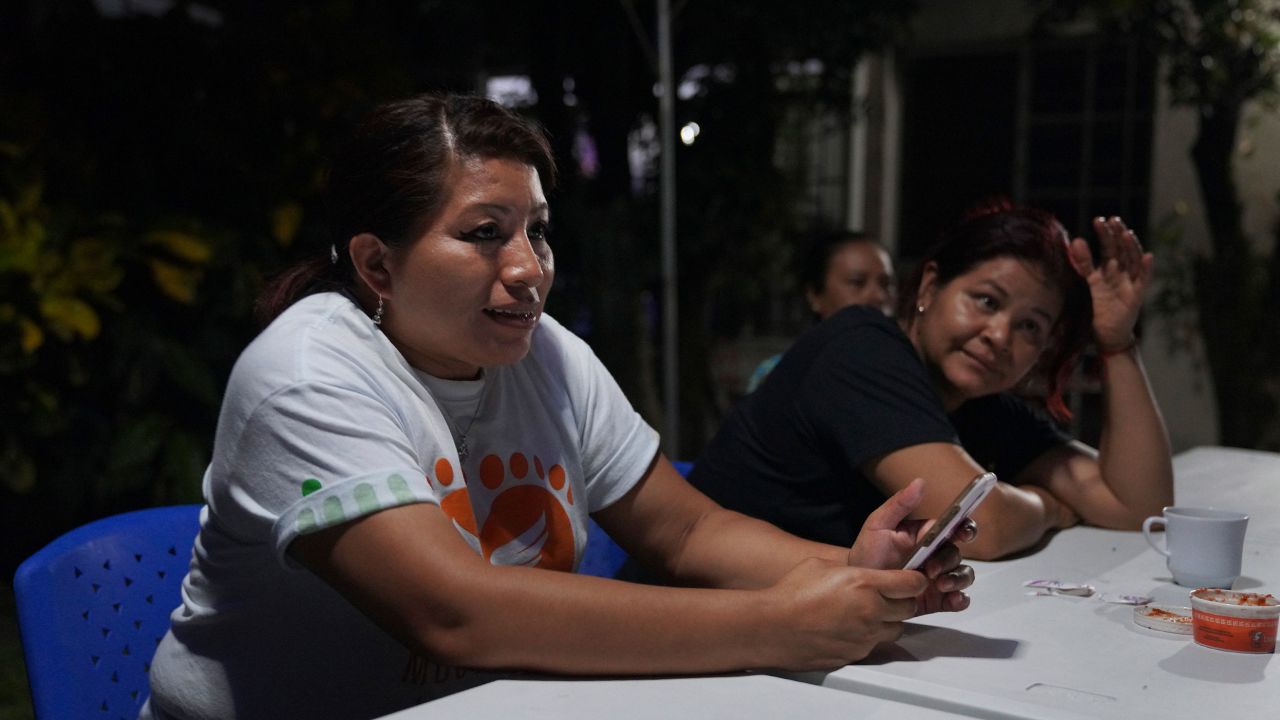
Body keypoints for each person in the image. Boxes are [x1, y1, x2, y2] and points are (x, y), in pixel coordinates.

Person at [141, 93, 977, 720]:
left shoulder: (547, 354)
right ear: (376, 264)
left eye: (536, 231)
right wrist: (779, 624)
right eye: (483, 233)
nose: (528, 267)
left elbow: (687, 530)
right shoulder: (308, 372)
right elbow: (455, 614)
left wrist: (846, 572)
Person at [689, 200, 1174, 559]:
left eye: (1030, 326)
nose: (999, 336)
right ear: (928, 287)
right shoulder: (860, 349)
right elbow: (979, 525)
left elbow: (1140, 505)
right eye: (986, 300)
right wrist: (1049, 507)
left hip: (795, 635)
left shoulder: (981, 405)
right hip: (690, 634)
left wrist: (1117, 342)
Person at [746, 230, 895, 392]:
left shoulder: (905, 373)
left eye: (886, 284)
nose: (878, 296)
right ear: (815, 295)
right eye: (857, 282)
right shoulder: (781, 374)